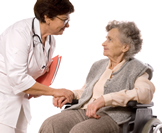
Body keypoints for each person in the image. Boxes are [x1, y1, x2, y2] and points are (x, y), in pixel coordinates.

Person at [38, 20, 155, 133]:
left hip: (112, 116)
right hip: (84, 110)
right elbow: (86, 91)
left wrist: (105, 100)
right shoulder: (99, 65)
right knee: (50, 125)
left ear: (125, 47)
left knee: (81, 131)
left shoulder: (137, 68)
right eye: (106, 38)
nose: (103, 43)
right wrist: (71, 95)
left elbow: (145, 93)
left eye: (110, 40)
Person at [0, 0, 75, 132]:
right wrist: (54, 91)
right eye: (64, 20)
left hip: (21, 99)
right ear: (47, 17)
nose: (67, 25)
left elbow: (40, 70)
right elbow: (17, 78)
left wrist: (39, 89)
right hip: (3, 96)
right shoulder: (19, 34)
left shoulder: (50, 40)